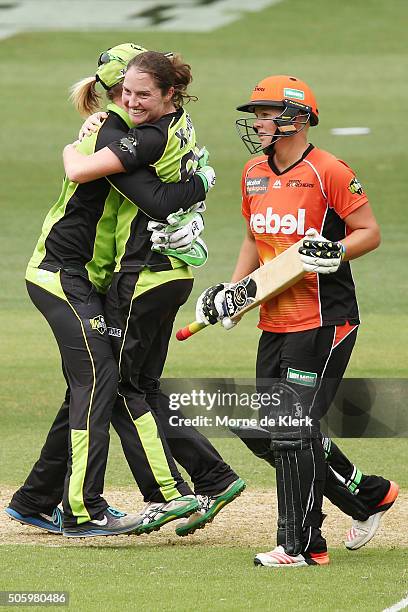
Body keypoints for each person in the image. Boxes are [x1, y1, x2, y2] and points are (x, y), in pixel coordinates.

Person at [6, 44, 244, 538]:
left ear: (166, 94)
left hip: (99, 279)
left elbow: (152, 194)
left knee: (101, 383)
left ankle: (36, 499)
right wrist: (200, 182)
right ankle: (95, 507)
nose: (135, 101)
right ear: (120, 91)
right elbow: (144, 195)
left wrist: (193, 184)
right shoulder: (114, 134)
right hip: (62, 274)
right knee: (103, 383)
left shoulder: (133, 133)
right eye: (129, 92)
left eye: (144, 93)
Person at [195, 74, 399, 566]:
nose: (258, 122)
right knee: (264, 429)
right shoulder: (253, 172)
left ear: (298, 119)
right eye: (256, 114)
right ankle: (367, 495)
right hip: (275, 320)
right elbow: (253, 237)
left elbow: (368, 231)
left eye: (266, 114)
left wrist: (336, 251)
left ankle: (302, 545)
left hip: (325, 320)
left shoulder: (329, 170)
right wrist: (234, 294)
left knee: (291, 427)